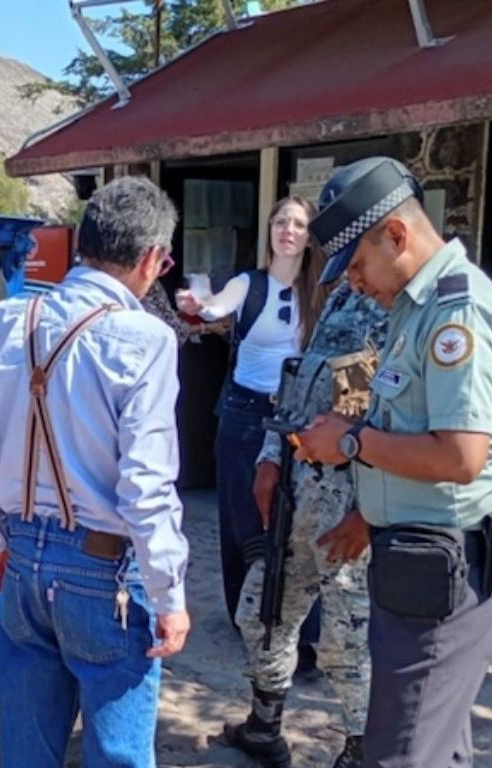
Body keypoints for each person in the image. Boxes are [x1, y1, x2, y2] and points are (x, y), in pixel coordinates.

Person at [297, 157, 492, 767]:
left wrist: (350, 443)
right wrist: (369, 515)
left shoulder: (458, 314)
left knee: (400, 754)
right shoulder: (413, 309)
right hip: (415, 558)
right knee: (435, 747)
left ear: (395, 235)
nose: (352, 283)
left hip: (442, 570)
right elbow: (411, 426)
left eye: (357, 266)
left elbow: (459, 455)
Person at [0, 175, 190, 768]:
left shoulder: (5, 321)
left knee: (27, 752)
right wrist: (170, 594)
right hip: (103, 568)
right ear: (150, 259)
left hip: (23, 558)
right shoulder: (146, 339)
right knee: (117, 756)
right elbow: (145, 486)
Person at [221, 280, 386, 768]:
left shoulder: (409, 308)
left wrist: (368, 515)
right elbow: (301, 382)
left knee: (345, 638)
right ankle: (263, 725)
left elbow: (396, 418)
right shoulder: (339, 295)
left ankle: (362, 748)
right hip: (297, 493)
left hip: (349, 501)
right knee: (261, 611)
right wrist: (270, 456)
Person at [175, 197, 329, 625]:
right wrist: (196, 305)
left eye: (298, 224)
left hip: (298, 414)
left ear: (309, 235)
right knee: (243, 517)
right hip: (246, 412)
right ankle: (246, 617)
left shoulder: (320, 291)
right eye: (281, 221)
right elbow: (214, 307)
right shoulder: (249, 284)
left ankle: (298, 622)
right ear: (270, 231)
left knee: (299, 517)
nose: (289, 230)